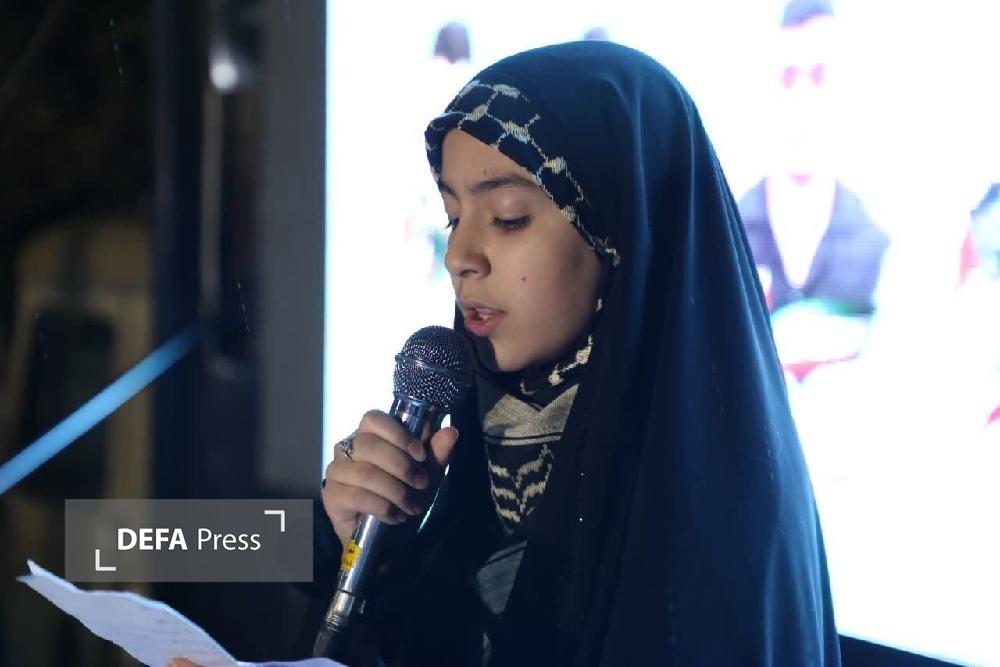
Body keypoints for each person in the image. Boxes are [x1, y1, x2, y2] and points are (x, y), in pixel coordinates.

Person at [179, 40, 841, 666]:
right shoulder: (484, 453)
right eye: (451, 216)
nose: (459, 256)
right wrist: (364, 553)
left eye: (508, 217)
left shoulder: (710, 530)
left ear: (619, 234)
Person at [738, 0, 888, 316]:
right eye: (788, 76)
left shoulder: (874, 248)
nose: (801, 98)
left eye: (820, 76)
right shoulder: (728, 238)